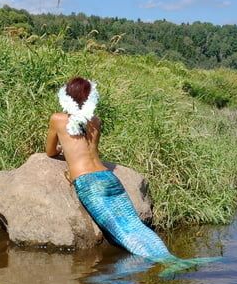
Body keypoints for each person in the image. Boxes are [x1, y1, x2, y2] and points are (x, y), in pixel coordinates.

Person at [45, 76, 183, 263]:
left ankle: (163, 264)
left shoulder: (57, 119)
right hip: (108, 178)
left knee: (123, 234)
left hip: (88, 182)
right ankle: (171, 259)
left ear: (66, 97)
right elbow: (93, 151)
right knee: (136, 226)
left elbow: (50, 152)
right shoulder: (95, 120)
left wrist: (65, 151)